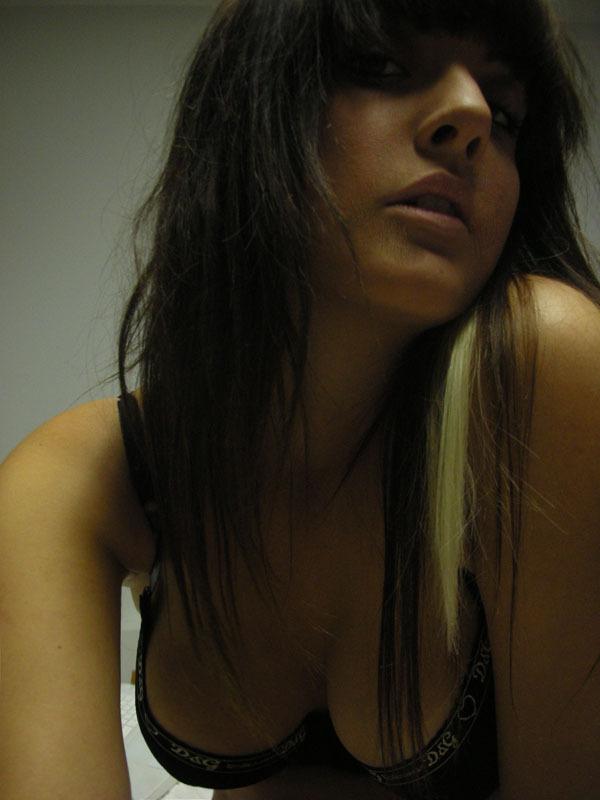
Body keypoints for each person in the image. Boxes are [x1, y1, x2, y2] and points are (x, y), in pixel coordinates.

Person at [1, 0, 600, 798]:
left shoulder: (541, 363)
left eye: (508, 112)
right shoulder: (77, 480)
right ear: (247, 115)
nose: (472, 116)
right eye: (379, 66)